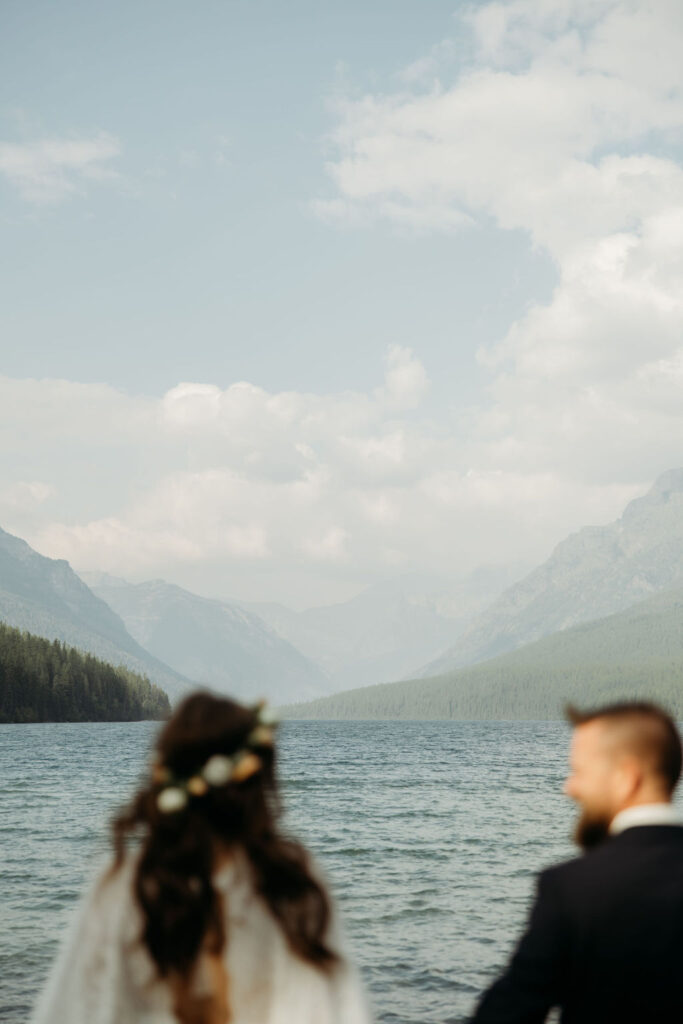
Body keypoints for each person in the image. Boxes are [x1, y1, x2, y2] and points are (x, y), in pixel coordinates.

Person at [30, 692, 372, 1024]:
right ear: (256, 786)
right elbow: (338, 1009)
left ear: (164, 779)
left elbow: (72, 1008)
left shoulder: (127, 886)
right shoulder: (292, 884)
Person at [470, 700, 683, 1024]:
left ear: (626, 777)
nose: (568, 787)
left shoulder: (572, 888)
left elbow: (509, 1013)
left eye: (580, 772)